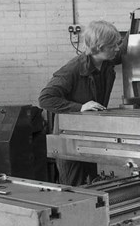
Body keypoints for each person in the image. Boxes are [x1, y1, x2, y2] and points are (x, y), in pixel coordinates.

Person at [39, 20, 123, 186]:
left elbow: (127, 49)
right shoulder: (73, 70)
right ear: (99, 47)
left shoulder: (106, 62)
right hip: (69, 138)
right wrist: (80, 107)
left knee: (93, 184)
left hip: (90, 133)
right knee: (73, 186)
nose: (117, 49)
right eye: (113, 45)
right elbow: (45, 99)